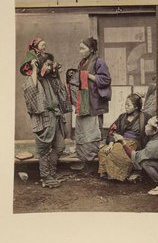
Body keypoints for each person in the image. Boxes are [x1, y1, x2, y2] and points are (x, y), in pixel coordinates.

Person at [20, 47, 72, 188]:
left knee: (60, 146)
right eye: (47, 64)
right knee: (43, 151)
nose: (49, 67)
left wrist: (55, 69)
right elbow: (31, 91)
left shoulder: (50, 79)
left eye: (50, 64)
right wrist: (35, 69)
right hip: (43, 119)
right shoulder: (32, 80)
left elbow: (60, 91)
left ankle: (52, 171)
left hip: (55, 117)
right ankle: (45, 176)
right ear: (39, 65)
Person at [66, 37, 111, 166]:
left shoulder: (99, 62)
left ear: (91, 50)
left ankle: (92, 159)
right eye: (80, 49)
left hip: (94, 101)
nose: (80, 51)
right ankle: (83, 155)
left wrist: (87, 76)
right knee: (82, 129)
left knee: (93, 130)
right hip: (84, 100)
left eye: (83, 49)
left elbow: (106, 79)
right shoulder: (82, 62)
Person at [98, 93, 151, 181]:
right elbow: (113, 130)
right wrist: (111, 143)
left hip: (134, 142)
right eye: (125, 104)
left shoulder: (145, 117)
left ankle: (118, 175)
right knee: (103, 151)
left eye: (128, 105)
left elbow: (151, 130)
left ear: (136, 107)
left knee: (115, 152)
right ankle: (106, 172)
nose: (125, 107)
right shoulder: (122, 117)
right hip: (119, 140)